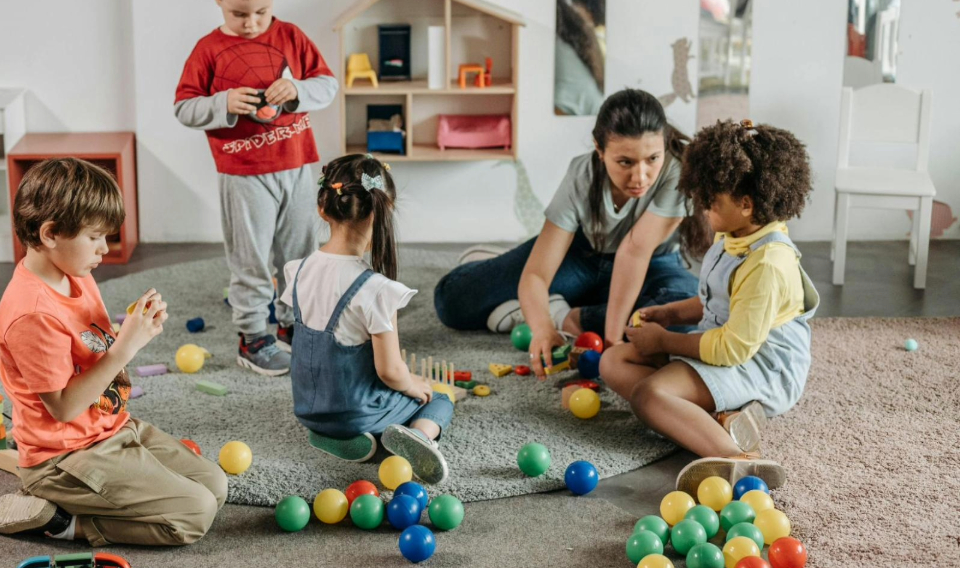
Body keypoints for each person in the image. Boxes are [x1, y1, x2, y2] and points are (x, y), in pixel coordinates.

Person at [0, 158, 227, 546]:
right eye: (95, 237)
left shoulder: (75, 275)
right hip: (62, 459)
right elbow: (62, 408)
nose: (105, 248)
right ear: (50, 234)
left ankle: (95, 501)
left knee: (215, 485)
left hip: (110, 429)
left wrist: (131, 326)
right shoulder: (31, 313)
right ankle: (62, 522)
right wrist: (127, 346)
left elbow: (90, 346)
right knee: (194, 514)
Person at [602, 119, 818, 494]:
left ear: (747, 205)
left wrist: (665, 341)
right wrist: (671, 314)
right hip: (725, 347)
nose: (702, 208)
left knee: (650, 395)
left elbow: (734, 347)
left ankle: (738, 459)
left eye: (711, 202)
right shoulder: (732, 234)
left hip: (762, 365)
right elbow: (715, 301)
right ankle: (718, 417)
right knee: (613, 361)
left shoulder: (767, 263)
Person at [435, 89, 710, 381]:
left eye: (652, 158)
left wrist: (612, 345)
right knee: (451, 300)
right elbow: (537, 275)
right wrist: (542, 329)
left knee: (687, 317)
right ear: (599, 149)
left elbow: (634, 251)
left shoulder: (676, 170)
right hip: (585, 256)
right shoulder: (582, 173)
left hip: (653, 264)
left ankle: (571, 315)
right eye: (625, 162)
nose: (640, 176)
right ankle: (509, 274)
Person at [175, 0, 338, 376]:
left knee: (301, 255)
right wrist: (223, 101)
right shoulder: (208, 50)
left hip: (299, 166)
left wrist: (300, 90)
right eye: (239, 14)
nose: (251, 24)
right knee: (250, 260)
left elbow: (327, 85)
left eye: (261, 12)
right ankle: (253, 337)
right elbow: (184, 108)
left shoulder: (290, 37)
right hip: (243, 173)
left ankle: (292, 326)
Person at [280, 154, 453, 484]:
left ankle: (332, 436)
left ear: (322, 208)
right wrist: (415, 385)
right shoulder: (376, 289)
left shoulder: (297, 271)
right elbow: (390, 371)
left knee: (363, 395)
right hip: (357, 412)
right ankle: (419, 436)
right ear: (383, 210)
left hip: (311, 410)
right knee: (440, 400)